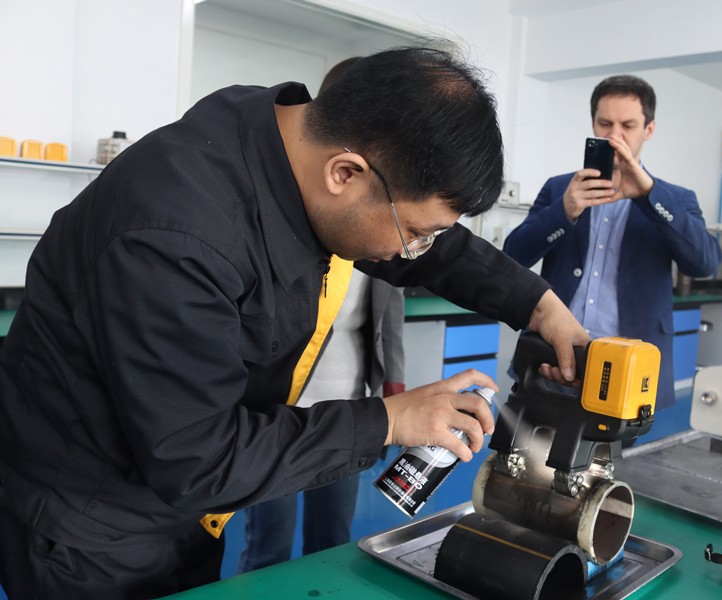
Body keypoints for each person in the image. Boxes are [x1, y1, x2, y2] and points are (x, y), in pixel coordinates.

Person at [0, 45, 588, 599]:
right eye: (413, 233)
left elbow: (428, 240)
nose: (413, 251)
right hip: (91, 529)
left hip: (177, 509)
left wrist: (538, 305)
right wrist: (389, 420)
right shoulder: (176, 240)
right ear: (345, 174)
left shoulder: (287, 141)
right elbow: (198, 458)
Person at [235, 56, 406, 573]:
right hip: (278, 416)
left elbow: (389, 322)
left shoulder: (380, 226)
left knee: (331, 541)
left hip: (351, 408)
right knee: (268, 546)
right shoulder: (281, 222)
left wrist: (393, 390)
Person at [503, 74, 722, 411]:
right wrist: (564, 210)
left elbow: (704, 263)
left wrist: (650, 196)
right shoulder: (560, 188)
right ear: (593, 124)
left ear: (648, 129)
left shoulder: (674, 199)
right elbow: (513, 257)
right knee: (530, 443)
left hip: (628, 364)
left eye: (628, 125)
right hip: (552, 355)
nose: (614, 136)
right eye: (605, 124)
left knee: (615, 447)